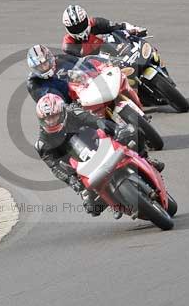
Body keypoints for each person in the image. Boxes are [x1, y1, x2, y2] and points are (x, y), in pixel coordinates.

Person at [34, 93, 164, 217]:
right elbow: (54, 166)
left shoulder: (72, 111)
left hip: (97, 142)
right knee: (92, 208)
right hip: (80, 165)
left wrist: (116, 130)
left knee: (132, 132)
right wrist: (71, 180)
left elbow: (95, 120)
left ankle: (146, 158)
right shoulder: (43, 143)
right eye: (47, 119)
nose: (51, 122)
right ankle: (113, 203)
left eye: (54, 117)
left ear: (62, 112)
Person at [61, 4, 146, 57]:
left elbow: (119, 26)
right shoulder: (68, 45)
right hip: (97, 71)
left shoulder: (96, 22)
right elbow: (73, 64)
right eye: (75, 28)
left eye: (81, 25)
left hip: (117, 55)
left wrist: (135, 29)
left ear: (86, 19)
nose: (79, 29)